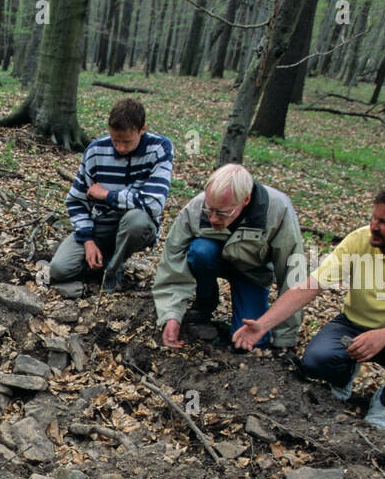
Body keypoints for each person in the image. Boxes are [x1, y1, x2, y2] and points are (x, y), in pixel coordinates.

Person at [232, 179, 385, 430]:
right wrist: (263, 325)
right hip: (355, 327)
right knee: (315, 361)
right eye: (374, 217)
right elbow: (311, 286)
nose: (374, 226)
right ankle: (343, 375)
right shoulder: (359, 240)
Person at [152, 163, 305, 350]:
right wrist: (171, 315)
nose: (214, 219)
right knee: (201, 251)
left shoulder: (277, 209)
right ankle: (204, 304)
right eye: (210, 210)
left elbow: (293, 273)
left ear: (246, 199)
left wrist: (285, 339)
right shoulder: (195, 208)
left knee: (250, 343)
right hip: (210, 260)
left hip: (252, 272)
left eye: (223, 213)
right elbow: (172, 262)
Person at [48, 99, 172, 294]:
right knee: (59, 269)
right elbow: (76, 201)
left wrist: (108, 195)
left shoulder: (159, 149)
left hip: (136, 226)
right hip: (100, 224)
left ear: (142, 129)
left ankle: (113, 271)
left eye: (127, 141)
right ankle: (105, 259)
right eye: (115, 140)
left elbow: (153, 203)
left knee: (135, 220)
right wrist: (87, 240)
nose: (120, 147)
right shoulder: (96, 150)